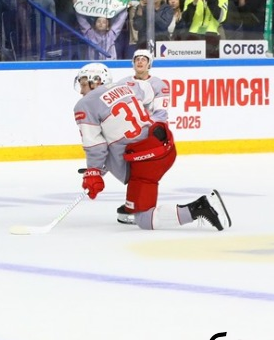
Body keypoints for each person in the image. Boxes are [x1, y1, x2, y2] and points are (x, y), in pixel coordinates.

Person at [73, 58, 228, 230]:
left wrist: (93, 171)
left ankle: (198, 208)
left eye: (84, 84)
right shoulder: (127, 87)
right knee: (121, 155)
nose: (81, 90)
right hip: (164, 146)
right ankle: (133, 203)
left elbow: (95, 145)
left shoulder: (84, 104)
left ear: (96, 82)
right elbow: (149, 91)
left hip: (145, 162)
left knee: (144, 219)